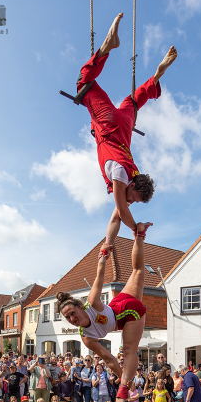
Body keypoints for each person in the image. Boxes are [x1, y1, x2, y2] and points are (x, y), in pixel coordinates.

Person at [75, 13, 176, 250]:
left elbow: (115, 217)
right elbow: (121, 211)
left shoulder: (130, 174)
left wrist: (107, 246)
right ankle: (107, 46)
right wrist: (136, 229)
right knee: (83, 81)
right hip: (109, 124)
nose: (131, 202)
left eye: (134, 201)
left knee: (134, 101)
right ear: (132, 185)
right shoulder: (121, 173)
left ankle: (156, 76)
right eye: (133, 198)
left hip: (124, 125)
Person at [58, 221, 152, 402]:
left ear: (80, 307)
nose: (71, 319)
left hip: (128, 311)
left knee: (129, 351)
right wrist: (124, 375)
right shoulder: (86, 337)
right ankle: (139, 235)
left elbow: (99, 277)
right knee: (138, 270)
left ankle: (123, 391)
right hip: (117, 306)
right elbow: (109, 359)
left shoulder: (91, 303)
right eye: (67, 318)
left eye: (72, 314)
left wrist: (102, 256)